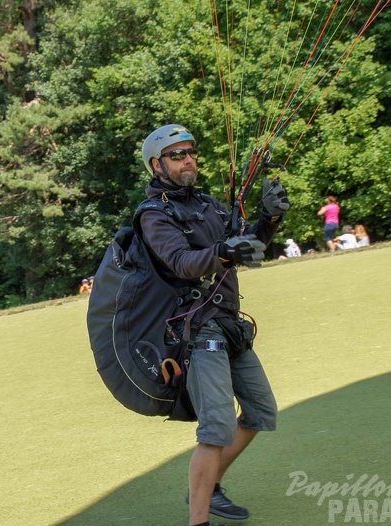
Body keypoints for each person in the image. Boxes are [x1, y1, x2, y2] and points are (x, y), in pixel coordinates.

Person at [139, 124, 285, 525]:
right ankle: (198, 518)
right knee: (217, 427)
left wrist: (268, 219)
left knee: (260, 411)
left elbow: (248, 248)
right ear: (157, 164)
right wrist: (222, 250)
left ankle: (209, 486)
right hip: (197, 329)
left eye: (190, 152)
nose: (188, 159)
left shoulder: (210, 205)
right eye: (177, 155)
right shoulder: (153, 215)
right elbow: (183, 263)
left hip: (230, 324)